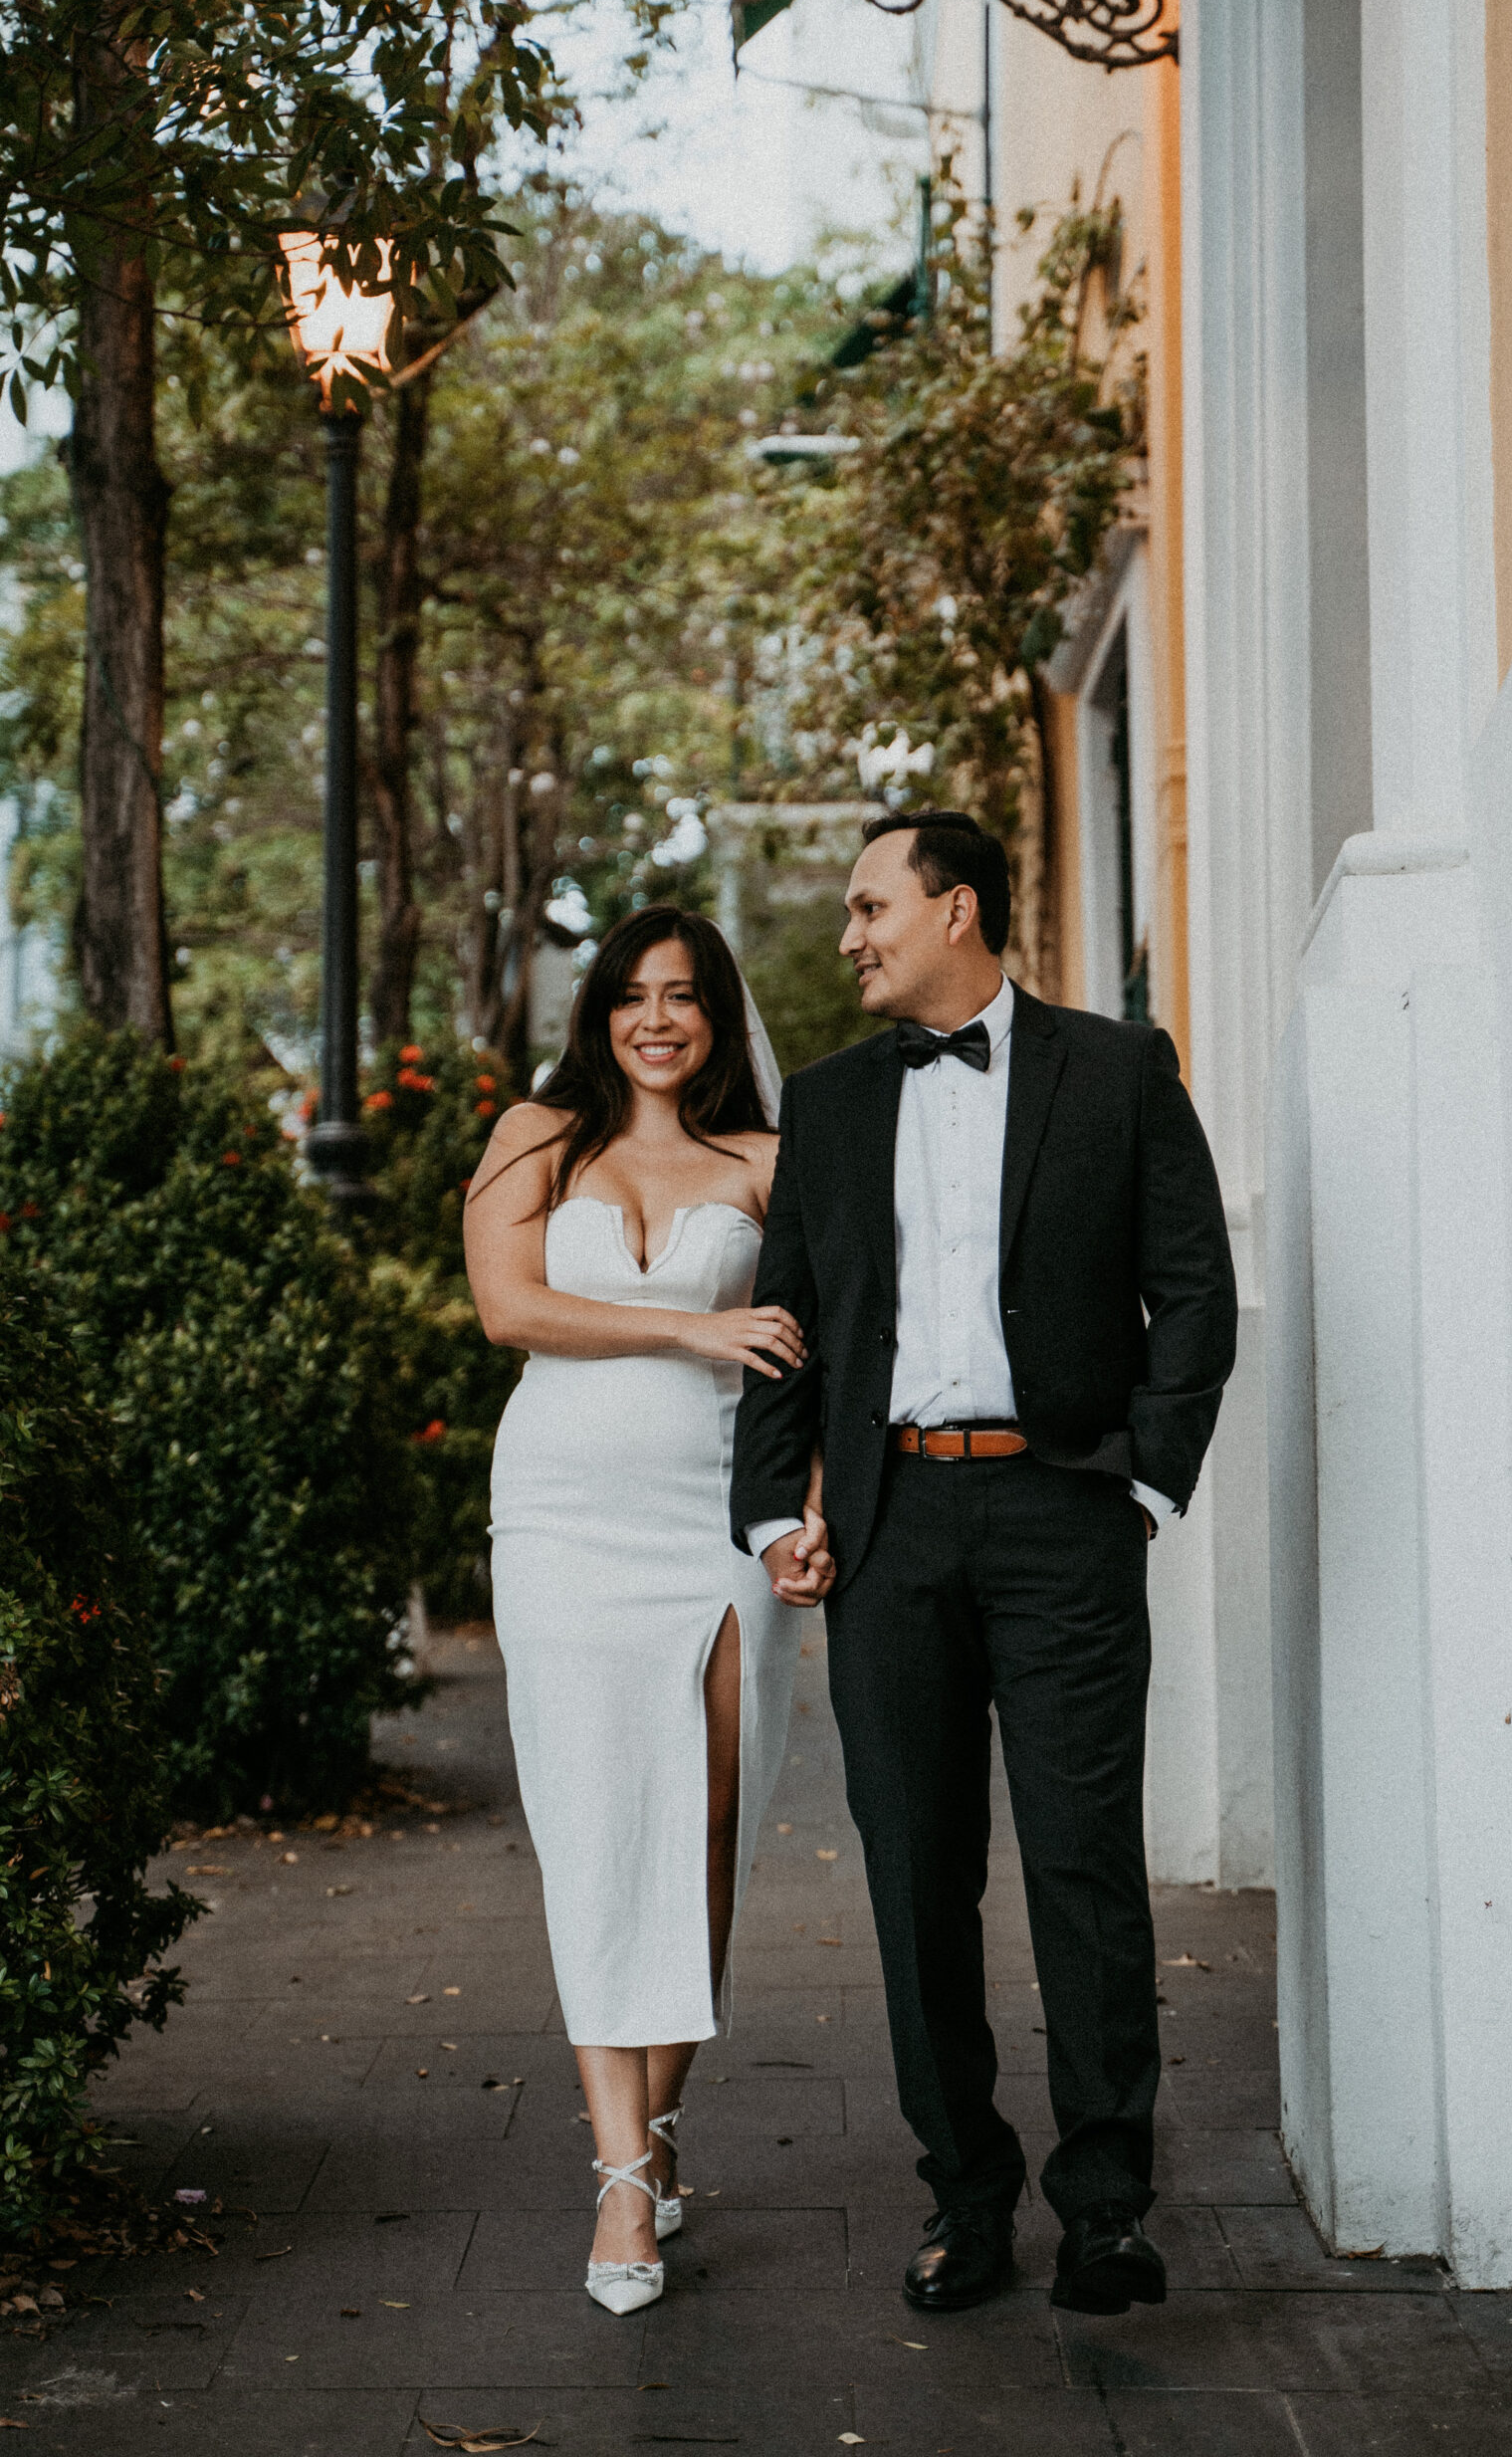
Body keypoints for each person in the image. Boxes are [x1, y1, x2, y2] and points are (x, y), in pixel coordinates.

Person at [730, 811, 1237, 2318]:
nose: (849, 937)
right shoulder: (825, 1105)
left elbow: (1193, 1288)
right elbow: (786, 1326)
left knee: (1084, 1870)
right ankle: (962, 2197)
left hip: (1063, 1517)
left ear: (956, 909)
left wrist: (1139, 1483)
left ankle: (1104, 2210)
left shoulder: (1117, 1068)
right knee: (915, 1878)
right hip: (891, 1535)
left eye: (869, 907)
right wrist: (774, 1515)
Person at [465, 904, 830, 2319]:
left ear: (722, 1015)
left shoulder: (770, 1164)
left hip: (720, 1518)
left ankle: (658, 2121)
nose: (658, 1019)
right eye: (632, 996)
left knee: (708, 1824)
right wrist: (689, 1326)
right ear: (598, 1013)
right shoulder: (532, 1139)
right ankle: (624, 2172)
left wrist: (807, 1515)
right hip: (562, 1517)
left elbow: (809, 1356)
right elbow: (508, 1307)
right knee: (593, 1823)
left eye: (684, 996)